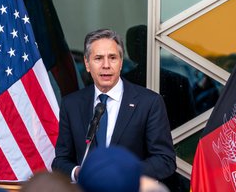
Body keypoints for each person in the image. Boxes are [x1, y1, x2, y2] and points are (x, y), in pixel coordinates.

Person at [51, 28, 176, 186]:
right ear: (87, 64)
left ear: (121, 63)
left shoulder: (149, 102)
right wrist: (78, 172)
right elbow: (60, 160)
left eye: (112, 58)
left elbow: (165, 160)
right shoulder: (72, 104)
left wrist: (123, 174)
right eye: (98, 58)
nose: (106, 65)